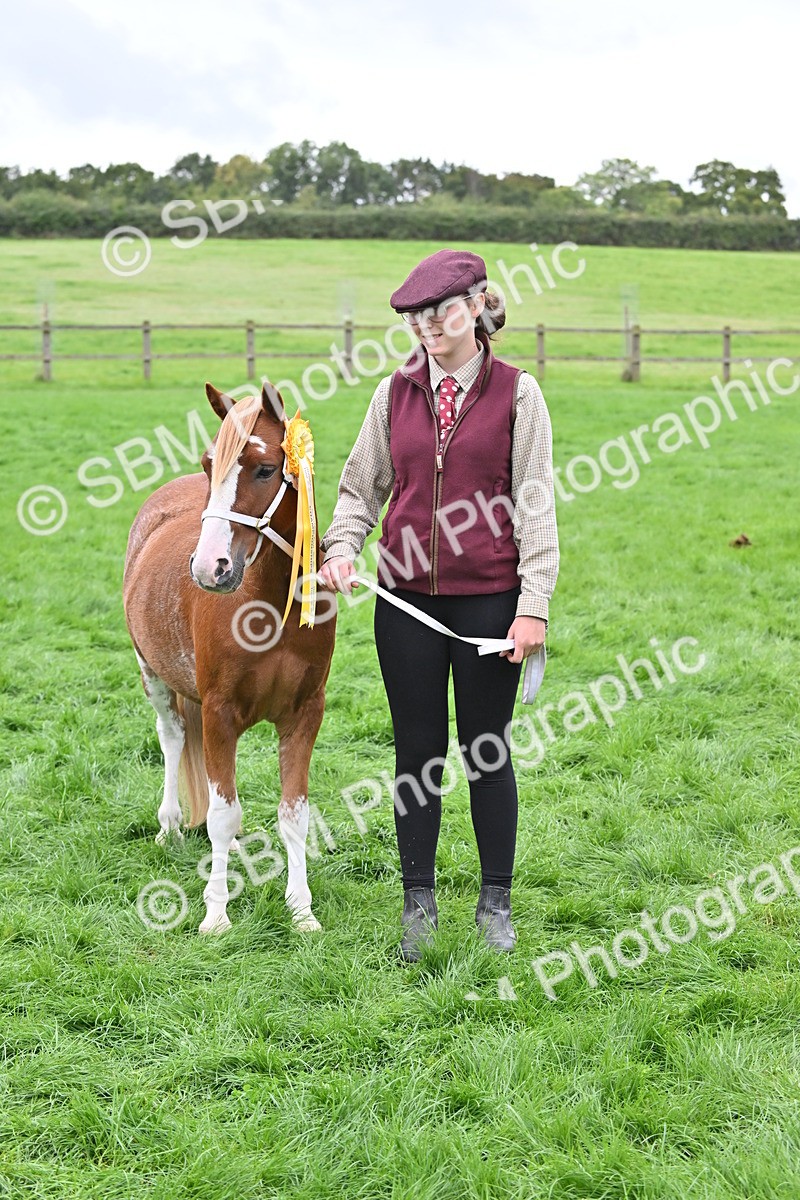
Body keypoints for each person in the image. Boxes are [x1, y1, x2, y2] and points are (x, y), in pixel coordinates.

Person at [319, 248, 559, 962]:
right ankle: (417, 905)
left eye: (442, 312)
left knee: (487, 752)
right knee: (416, 752)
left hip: (490, 605)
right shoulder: (392, 394)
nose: (427, 326)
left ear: (477, 307)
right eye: (415, 317)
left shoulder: (519, 395)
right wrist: (342, 546)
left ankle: (495, 904)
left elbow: (536, 505)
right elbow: (360, 486)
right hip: (405, 607)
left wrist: (534, 604)